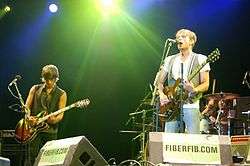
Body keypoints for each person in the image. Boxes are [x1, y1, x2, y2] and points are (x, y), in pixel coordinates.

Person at [157, 29, 210, 134]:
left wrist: (194, 89)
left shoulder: (201, 59)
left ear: (191, 41)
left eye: (183, 36)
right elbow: (159, 82)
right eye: (178, 37)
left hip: (191, 105)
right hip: (172, 106)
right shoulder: (169, 59)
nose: (179, 38)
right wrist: (162, 94)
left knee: (193, 141)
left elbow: (206, 84)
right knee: (169, 142)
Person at [25, 64, 67, 165]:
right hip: (34, 130)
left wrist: (54, 120)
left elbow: (60, 115)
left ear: (56, 78)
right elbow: (26, 107)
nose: (48, 82)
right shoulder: (35, 89)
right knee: (31, 157)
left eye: (51, 79)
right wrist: (28, 117)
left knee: (49, 160)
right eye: (46, 79)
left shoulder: (62, 94)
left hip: (50, 131)